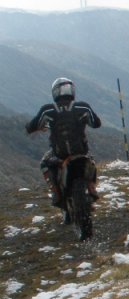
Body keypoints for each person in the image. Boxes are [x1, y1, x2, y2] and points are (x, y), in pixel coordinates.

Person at [25, 77, 102, 207]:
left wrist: (33, 127)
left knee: (44, 163)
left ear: (55, 92)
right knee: (90, 160)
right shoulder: (83, 107)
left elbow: (31, 126)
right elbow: (96, 123)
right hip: (81, 151)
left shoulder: (47, 110)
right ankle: (91, 186)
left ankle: (56, 192)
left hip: (59, 154)